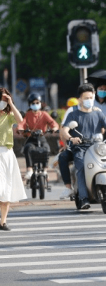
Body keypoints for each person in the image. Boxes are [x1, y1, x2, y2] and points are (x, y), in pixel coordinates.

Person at [60, 83, 106, 209]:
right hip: (81, 147)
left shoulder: (98, 113)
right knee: (81, 167)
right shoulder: (73, 114)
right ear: (80, 99)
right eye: (86, 98)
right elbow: (64, 131)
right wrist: (72, 138)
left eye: (91, 97)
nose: (89, 100)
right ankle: (83, 198)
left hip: (98, 146)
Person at [0, 88, 27, 231]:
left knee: (6, 189)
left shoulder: (9, 115)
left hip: (7, 153)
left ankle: (3, 222)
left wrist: (10, 102)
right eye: (1, 99)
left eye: (5, 100)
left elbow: (20, 120)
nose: (2, 102)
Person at [17, 93, 59, 180]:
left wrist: (54, 128)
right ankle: (29, 170)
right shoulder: (27, 114)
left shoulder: (44, 114)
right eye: (33, 103)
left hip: (41, 137)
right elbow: (22, 123)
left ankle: (45, 170)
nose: (35, 105)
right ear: (29, 104)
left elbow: (52, 123)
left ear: (40, 103)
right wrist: (20, 129)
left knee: (46, 149)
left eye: (37, 102)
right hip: (31, 138)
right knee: (27, 148)